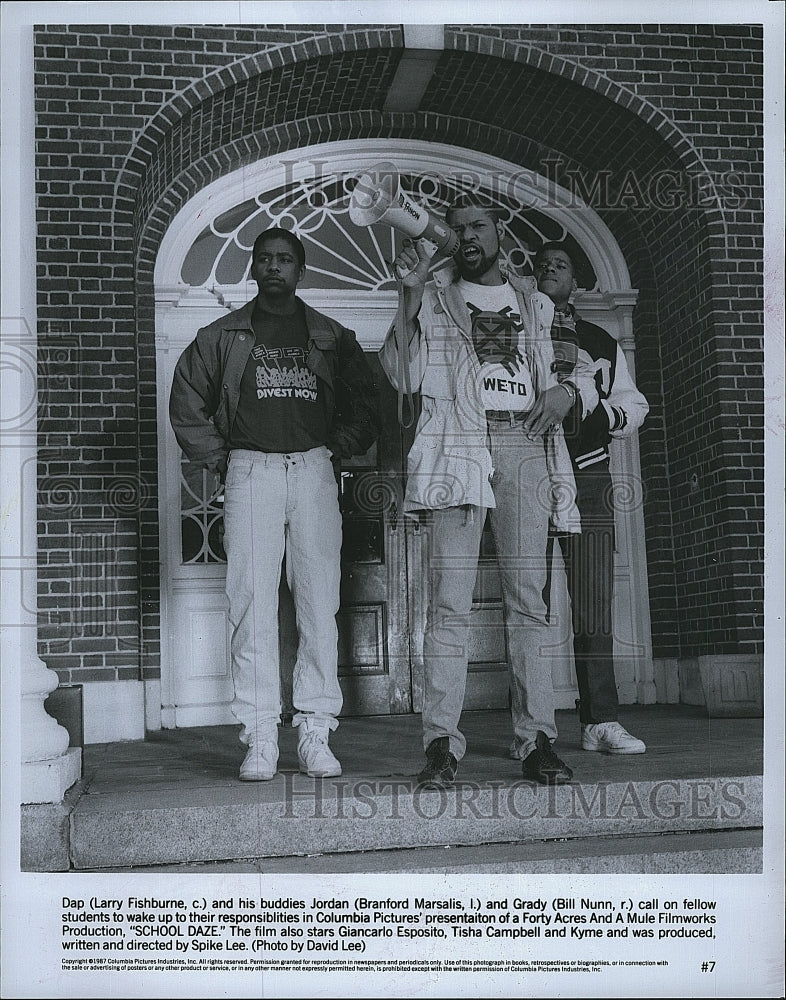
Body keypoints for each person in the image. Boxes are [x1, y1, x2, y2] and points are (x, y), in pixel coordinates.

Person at [379, 194, 598, 787]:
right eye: (456, 229)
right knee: (449, 603)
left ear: (500, 232)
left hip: (524, 442)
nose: (467, 236)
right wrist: (409, 292)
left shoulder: (534, 302)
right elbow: (401, 375)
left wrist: (567, 394)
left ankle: (536, 741)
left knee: (528, 599)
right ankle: (442, 746)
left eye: (478, 226)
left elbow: (580, 369)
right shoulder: (433, 296)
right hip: (458, 446)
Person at [169, 227, 379, 781]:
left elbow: (365, 403)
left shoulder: (332, 336)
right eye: (264, 259)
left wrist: (338, 449)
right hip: (252, 469)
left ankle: (314, 730)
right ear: (254, 268)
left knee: (317, 604)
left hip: (312, 469)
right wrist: (221, 457)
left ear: (300, 270)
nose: (274, 267)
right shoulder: (223, 335)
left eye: (284, 259)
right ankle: (259, 733)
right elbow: (188, 399)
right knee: (250, 604)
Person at [527, 241, 649, 756]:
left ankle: (600, 720)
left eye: (560, 266)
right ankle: (531, 726)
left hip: (589, 476)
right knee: (527, 601)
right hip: (530, 474)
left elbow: (633, 404)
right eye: (542, 265)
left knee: (595, 602)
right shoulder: (515, 328)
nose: (549, 270)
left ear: (575, 282)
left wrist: (600, 419)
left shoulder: (599, 338)